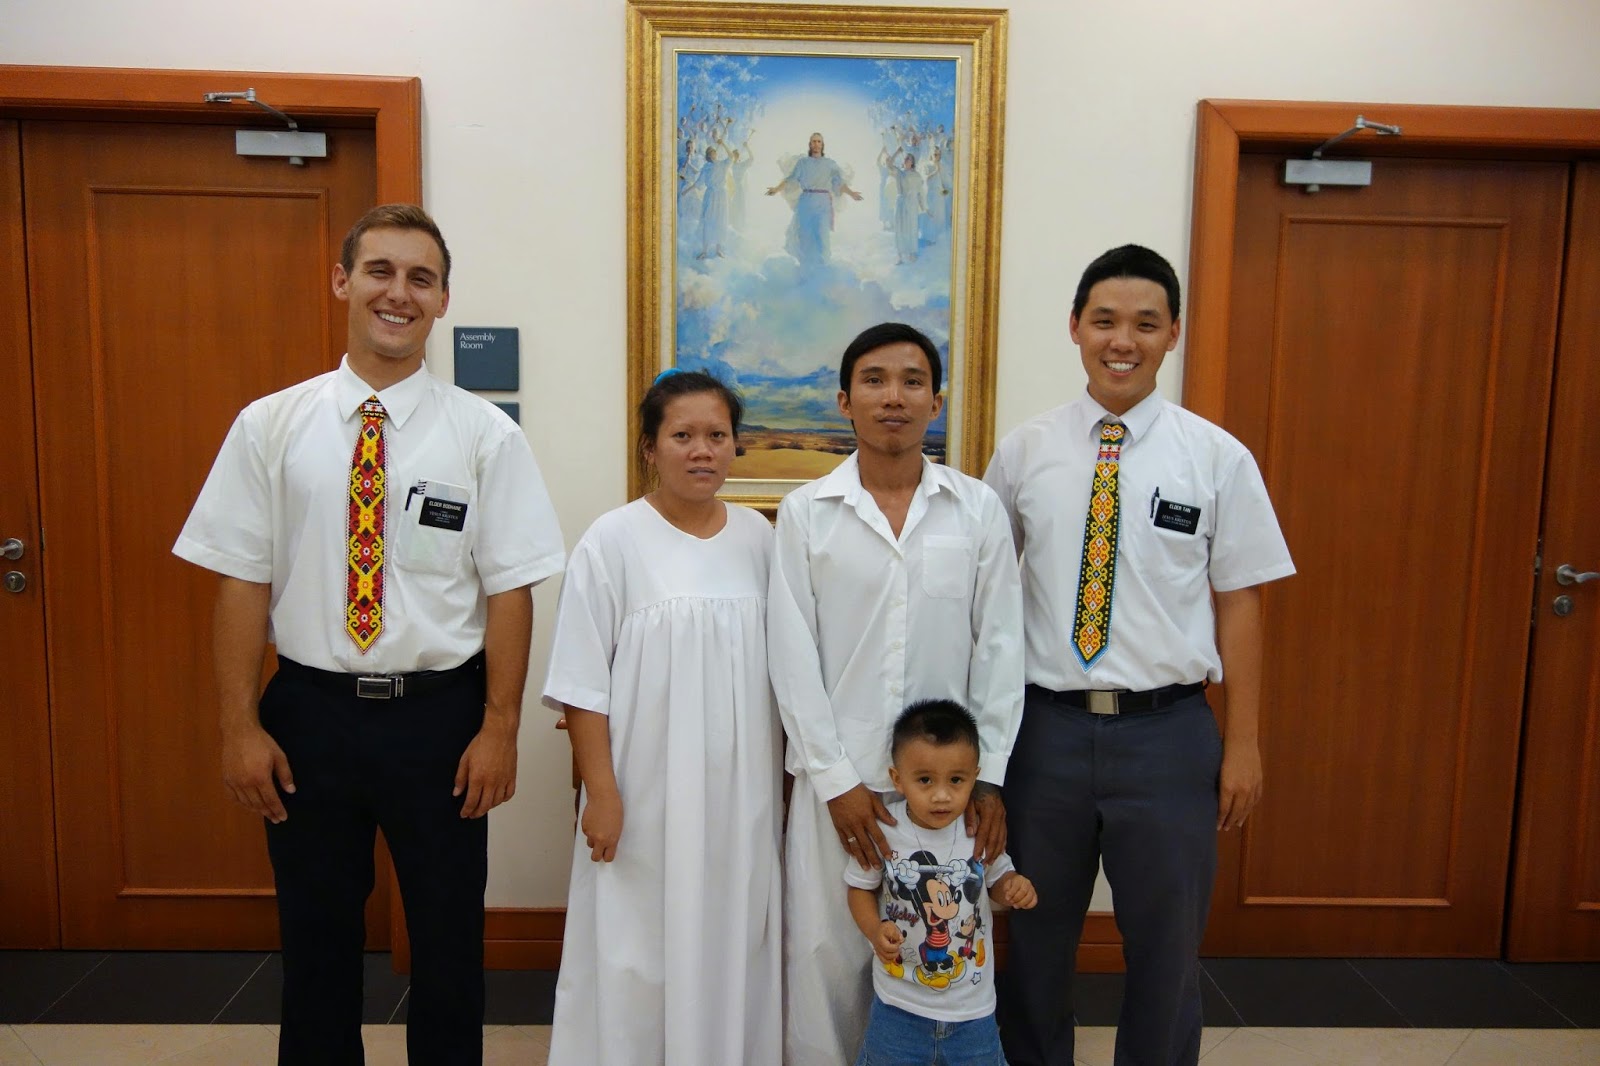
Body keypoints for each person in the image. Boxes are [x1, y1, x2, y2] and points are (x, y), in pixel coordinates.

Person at [173, 203, 566, 1065]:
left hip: (442, 720)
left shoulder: (485, 435)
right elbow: (240, 577)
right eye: (380, 271)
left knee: (450, 945)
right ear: (342, 281)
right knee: (315, 945)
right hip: (309, 716)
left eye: (421, 278)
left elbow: (510, 588)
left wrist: (500, 726)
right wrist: (239, 726)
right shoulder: (270, 425)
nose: (400, 293)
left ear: (443, 299)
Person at [984, 244, 1295, 1066]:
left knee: (1166, 949)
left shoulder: (1216, 457)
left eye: (1146, 324)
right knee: (1034, 941)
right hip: (1043, 733)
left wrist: (1244, 743)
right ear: (1075, 328)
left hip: (1168, 736)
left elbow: (1241, 603)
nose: (1123, 341)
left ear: (1173, 334)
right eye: (1105, 321)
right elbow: (987, 593)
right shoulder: (1024, 452)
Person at [768, 321, 1024, 1066]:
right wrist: (835, 781)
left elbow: (1001, 649)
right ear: (844, 400)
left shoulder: (976, 510)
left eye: (913, 382)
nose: (894, 397)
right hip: (840, 786)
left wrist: (988, 778)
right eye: (874, 381)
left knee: (940, 953)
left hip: (945, 791)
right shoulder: (806, 512)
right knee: (828, 958)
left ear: (935, 402)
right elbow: (792, 657)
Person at [542, 370, 783, 1065]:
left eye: (717, 435)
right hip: (641, 790)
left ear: (736, 446)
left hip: (741, 792)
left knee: (734, 932)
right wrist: (602, 794)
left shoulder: (760, 540)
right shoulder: (613, 541)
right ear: (650, 447)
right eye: (682, 435)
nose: (702, 450)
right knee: (636, 946)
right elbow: (582, 683)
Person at [846, 700, 1038, 1066]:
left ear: (975, 776)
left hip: (973, 1012)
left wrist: (1014, 886)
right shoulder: (885, 830)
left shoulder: (978, 828)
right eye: (924, 780)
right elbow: (859, 888)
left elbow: (998, 879)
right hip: (898, 1008)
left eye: (956, 780)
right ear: (897, 778)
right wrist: (874, 929)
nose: (941, 795)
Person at [766, 131, 863, 267]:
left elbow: (839, 183)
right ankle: (805, 269)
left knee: (823, 237)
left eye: (819, 141)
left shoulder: (830, 164)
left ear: (822, 145)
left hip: (823, 203)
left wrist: (851, 193)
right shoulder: (803, 163)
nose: (816, 144)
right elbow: (790, 179)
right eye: (814, 141)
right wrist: (776, 189)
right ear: (810, 144)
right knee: (804, 236)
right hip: (806, 201)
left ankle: (823, 268)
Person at [893, 152, 926, 264]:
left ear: (912, 162)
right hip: (901, 203)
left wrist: (923, 207)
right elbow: (889, 164)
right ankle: (900, 256)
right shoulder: (900, 173)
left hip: (912, 204)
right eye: (905, 158)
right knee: (900, 228)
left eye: (909, 159)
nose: (906, 160)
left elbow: (919, 193)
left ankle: (911, 253)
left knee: (911, 228)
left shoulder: (917, 175)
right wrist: (897, 152)